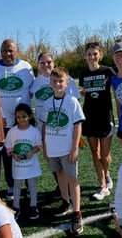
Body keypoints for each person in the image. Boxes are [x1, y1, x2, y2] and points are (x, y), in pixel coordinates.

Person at [41, 67, 86, 235]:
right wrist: (45, 148)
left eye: (61, 81)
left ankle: (77, 213)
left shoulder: (72, 101)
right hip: (52, 148)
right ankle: (65, 201)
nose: (57, 84)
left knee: (72, 179)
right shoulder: (47, 102)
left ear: (66, 83)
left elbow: (77, 126)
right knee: (59, 175)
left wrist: (74, 148)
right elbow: (44, 127)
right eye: (54, 81)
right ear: (50, 83)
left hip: (67, 149)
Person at [30, 52, 81, 200]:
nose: (46, 65)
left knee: (68, 162)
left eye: (49, 62)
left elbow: (75, 100)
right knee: (53, 162)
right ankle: (61, 188)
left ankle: (69, 191)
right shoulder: (35, 82)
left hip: (65, 129)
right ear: (38, 65)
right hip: (45, 127)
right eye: (42, 62)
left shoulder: (65, 78)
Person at [0, 39, 35, 200]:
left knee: (27, 151)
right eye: (4, 50)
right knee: (7, 156)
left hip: (23, 121)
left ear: (17, 51)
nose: (7, 54)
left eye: (11, 50)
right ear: (0, 51)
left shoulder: (26, 67)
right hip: (3, 122)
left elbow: (31, 91)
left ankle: (30, 185)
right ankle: (10, 185)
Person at [79, 42, 116, 201]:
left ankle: (107, 174)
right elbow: (85, 92)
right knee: (95, 152)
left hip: (105, 117)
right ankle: (102, 185)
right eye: (89, 54)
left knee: (105, 155)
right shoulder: (83, 73)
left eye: (95, 53)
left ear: (99, 55)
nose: (92, 56)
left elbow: (117, 91)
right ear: (85, 56)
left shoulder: (108, 71)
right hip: (89, 117)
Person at [5, 103, 42, 221]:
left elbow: (38, 145)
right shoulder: (12, 131)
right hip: (18, 165)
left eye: (24, 116)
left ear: (29, 116)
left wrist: (33, 151)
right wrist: (13, 154)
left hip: (31, 165)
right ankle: (16, 207)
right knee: (17, 186)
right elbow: (8, 146)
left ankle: (33, 206)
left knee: (32, 185)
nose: (21, 119)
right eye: (18, 117)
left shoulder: (34, 131)